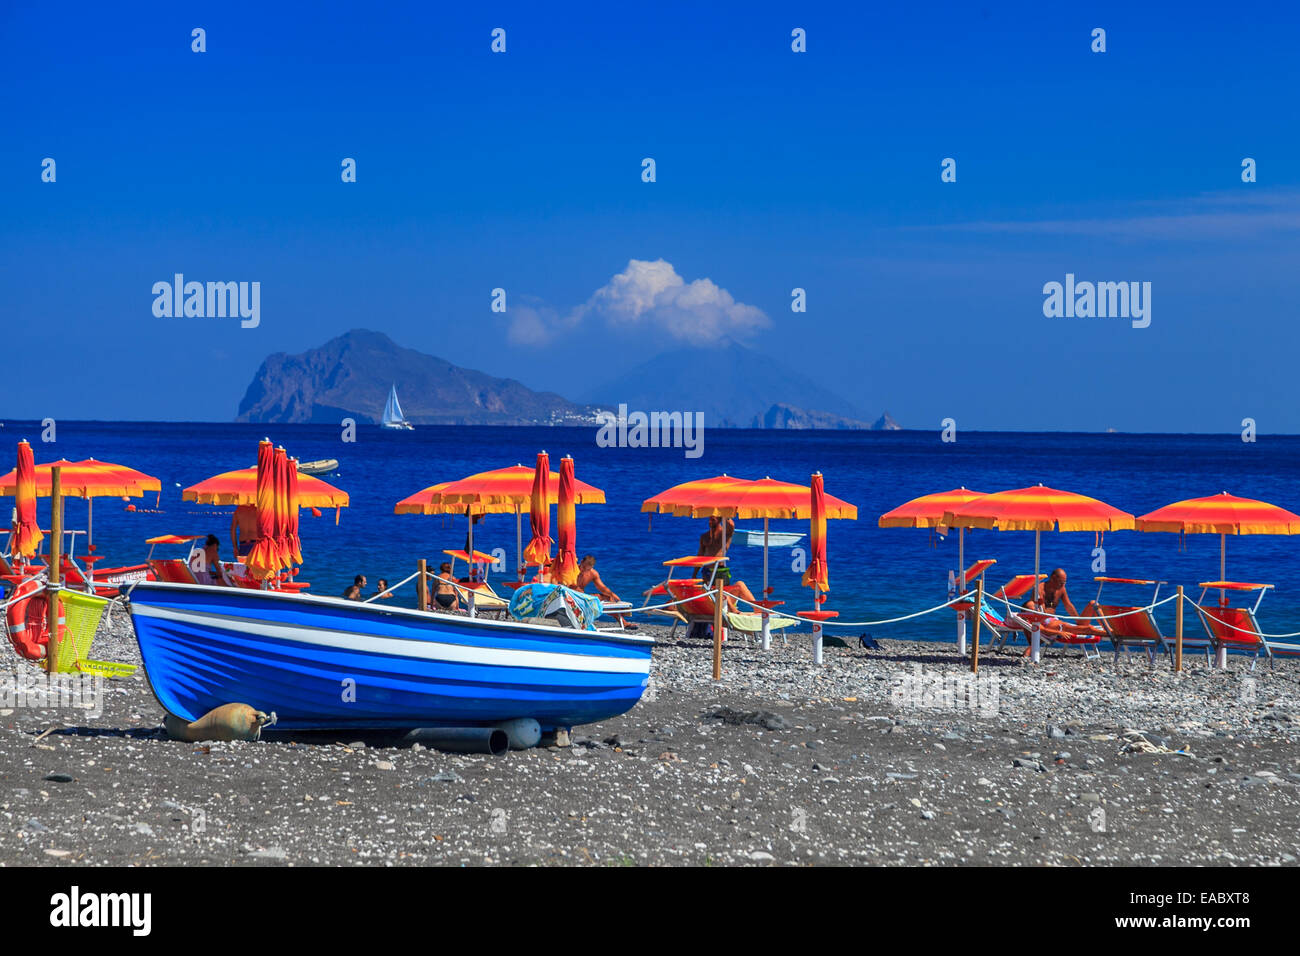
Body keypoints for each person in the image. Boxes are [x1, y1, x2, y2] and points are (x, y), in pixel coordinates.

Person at [695, 516, 758, 610]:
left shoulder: (724, 534)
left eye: (713, 519)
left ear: (720, 520)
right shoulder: (704, 537)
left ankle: (757, 608)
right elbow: (700, 556)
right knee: (713, 589)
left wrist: (725, 515)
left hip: (720, 570)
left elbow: (731, 525)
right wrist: (694, 574)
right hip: (707, 572)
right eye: (709, 519)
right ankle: (732, 608)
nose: (710, 521)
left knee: (739, 585)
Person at [576, 554, 635, 629]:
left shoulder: (593, 573)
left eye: (588, 569)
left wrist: (612, 595)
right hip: (571, 595)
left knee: (608, 597)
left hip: (582, 596)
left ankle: (623, 622)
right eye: (583, 567)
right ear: (581, 562)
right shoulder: (572, 570)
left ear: (592, 567)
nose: (584, 571)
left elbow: (601, 588)